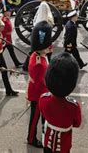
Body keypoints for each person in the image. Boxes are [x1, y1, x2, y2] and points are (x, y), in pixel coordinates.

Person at [39, 52, 82, 153]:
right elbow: (77, 123)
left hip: (47, 140)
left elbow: (43, 113)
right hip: (64, 143)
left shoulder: (43, 99)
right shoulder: (73, 106)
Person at [26, 19, 51, 148]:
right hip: (38, 95)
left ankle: (42, 133)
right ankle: (31, 139)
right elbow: (41, 84)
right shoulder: (39, 63)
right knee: (35, 118)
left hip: (37, 91)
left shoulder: (36, 55)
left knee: (40, 118)